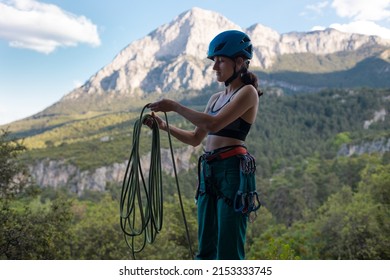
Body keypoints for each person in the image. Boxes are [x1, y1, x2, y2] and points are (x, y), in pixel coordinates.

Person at [146, 30, 262, 260]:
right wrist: (163, 126)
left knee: (228, 250)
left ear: (239, 62)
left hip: (232, 170)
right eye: (214, 61)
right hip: (209, 171)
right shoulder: (215, 99)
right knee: (205, 250)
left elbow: (214, 123)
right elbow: (195, 139)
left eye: (220, 60)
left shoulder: (247, 92)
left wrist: (176, 107)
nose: (215, 67)